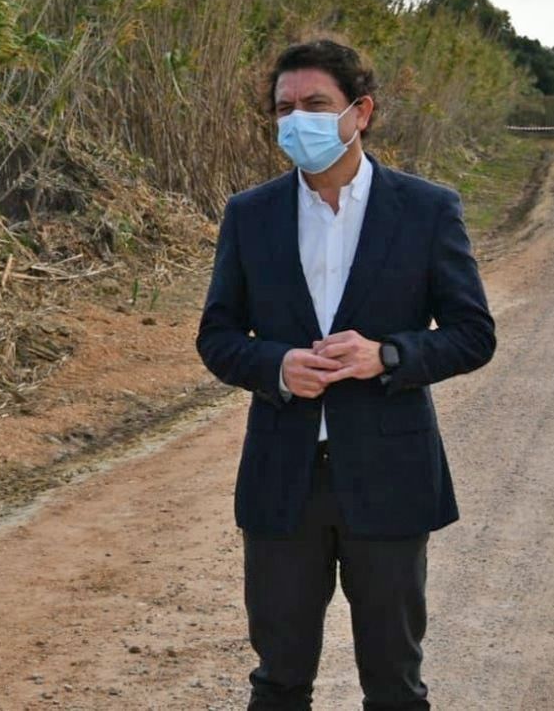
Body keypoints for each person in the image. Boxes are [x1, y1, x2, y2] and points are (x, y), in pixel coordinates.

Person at [197, 38, 496, 710]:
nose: (295, 120)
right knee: (278, 683)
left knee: (394, 684)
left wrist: (386, 355)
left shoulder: (426, 210)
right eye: (284, 108)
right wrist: (273, 365)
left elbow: (473, 335)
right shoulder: (251, 215)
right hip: (283, 483)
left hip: (391, 480)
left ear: (360, 112)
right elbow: (216, 336)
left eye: (314, 104)